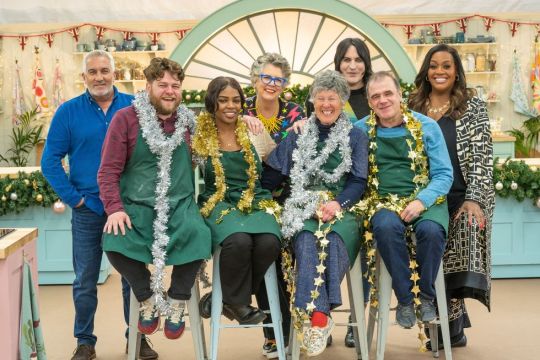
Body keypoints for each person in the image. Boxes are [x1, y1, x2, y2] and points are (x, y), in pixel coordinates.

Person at [41, 50, 158, 360]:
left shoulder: (136, 106)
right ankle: (85, 341)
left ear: (114, 73)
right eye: (92, 72)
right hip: (88, 210)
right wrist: (74, 199)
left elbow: (154, 151)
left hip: (128, 209)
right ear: (84, 77)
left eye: (104, 70)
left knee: (134, 277)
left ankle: (136, 338)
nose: (99, 77)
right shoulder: (68, 112)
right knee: (85, 279)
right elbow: (49, 161)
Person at [97, 58, 211, 343]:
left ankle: (177, 299)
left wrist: (245, 118)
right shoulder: (125, 119)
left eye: (175, 85)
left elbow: (222, 133)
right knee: (113, 241)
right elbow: (108, 170)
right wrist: (114, 209)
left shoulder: (191, 122)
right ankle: (146, 295)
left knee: (201, 236)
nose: (170, 91)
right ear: (147, 86)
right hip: (136, 208)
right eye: (162, 85)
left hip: (181, 206)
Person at [262, 70, 369, 357]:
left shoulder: (356, 136)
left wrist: (338, 204)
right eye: (320, 98)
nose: (326, 104)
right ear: (312, 101)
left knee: (332, 238)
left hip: (342, 206)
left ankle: (315, 316)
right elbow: (272, 174)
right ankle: (319, 317)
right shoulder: (297, 134)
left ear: (342, 100)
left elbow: (359, 180)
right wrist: (254, 195)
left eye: (332, 98)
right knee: (308, 237)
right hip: (301, 204)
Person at [409, 44, 494, 349]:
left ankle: (448, 329)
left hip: (462, 196)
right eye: (434, 66)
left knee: (454, 260)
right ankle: (446, 328)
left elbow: (483, 157)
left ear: (457, 71)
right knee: (429, 260)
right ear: (426, 71)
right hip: (425, 198)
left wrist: (474, 199)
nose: (440, 71)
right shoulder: (413, 106)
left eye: (447, 66)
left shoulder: (473, 106)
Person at [355, 71, 453, 330]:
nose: (383, 100)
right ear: (369, 102)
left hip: (426, 198)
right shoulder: (360, 130)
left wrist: (422, 201)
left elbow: (444, 174)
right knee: (386, 227)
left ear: (400, 95)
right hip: (382, 200)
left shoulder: (426, 126)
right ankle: (406, 299)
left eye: (388, 93)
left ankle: (427, 298)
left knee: (431, 231)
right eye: (376, 96)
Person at [193, 76, 282, 327]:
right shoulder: (199, 135)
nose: (230, 106)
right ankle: (236, 301)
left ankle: (226, 298)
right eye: (223, 100)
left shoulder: (253, 129)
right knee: (238, 241)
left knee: (270, 242)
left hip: (254, 199)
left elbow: (275, 161)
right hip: (218, 201)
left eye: (235, 100)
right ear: (212, 103)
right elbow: (183, 168)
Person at [243, 52, 305, 357]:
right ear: (255, 78)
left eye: (278, 79)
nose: (272, 84)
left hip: (290, 196)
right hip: (251, 197)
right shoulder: (238, 109)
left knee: (291, 262)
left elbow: (301, 157)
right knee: (262, 254)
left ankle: (296, 326)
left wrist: (301, 134)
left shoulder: (296, 112)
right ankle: (273, 331)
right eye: (266, 77)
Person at [305, 37, 372, 124]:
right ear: (338, 62)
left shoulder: (377, 94)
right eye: (347, 60)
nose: (352, 66)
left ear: (366, 63)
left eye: (358, 60)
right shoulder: (320, 90)